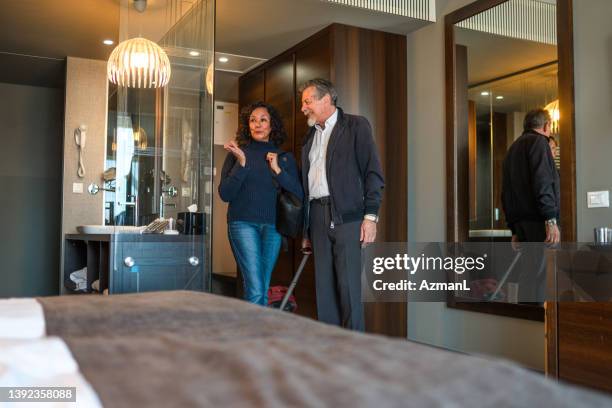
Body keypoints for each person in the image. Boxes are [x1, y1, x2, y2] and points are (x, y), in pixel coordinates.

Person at [299, 78, 384, 331]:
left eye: (307, 102)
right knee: (324, 291)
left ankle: (354, 349)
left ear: (326, 100)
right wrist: (306, 230)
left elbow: (373, 173)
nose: (303, 108)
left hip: (348, 218)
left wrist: (371, 217)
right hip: (316, 216)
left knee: (348, 289)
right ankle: (330, 351)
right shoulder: (309, 136)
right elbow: (308, 184)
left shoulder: (356, 126)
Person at [218, 102, 303, 306]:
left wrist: (278, 171)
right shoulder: (237, 154)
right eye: (253, 120)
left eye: (263, 120)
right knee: (256, 288)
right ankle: (256, 334)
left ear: (272, 126)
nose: (257, 124)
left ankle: (254, 330)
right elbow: (225, 194)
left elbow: (298, 192)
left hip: (273, 227)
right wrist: (242, 165)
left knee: (262, 288)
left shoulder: (283, 158)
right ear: (248, 125)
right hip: (242, 225)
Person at [501, 109, 560, 244]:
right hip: (540, 224)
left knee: (529, 265)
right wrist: (551, 220)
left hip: (520, 225)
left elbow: (506, 192)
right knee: (544, 264)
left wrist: (514, 229)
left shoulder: (512, 149)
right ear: (546, 125)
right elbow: (543, 182)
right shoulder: (539, 142)